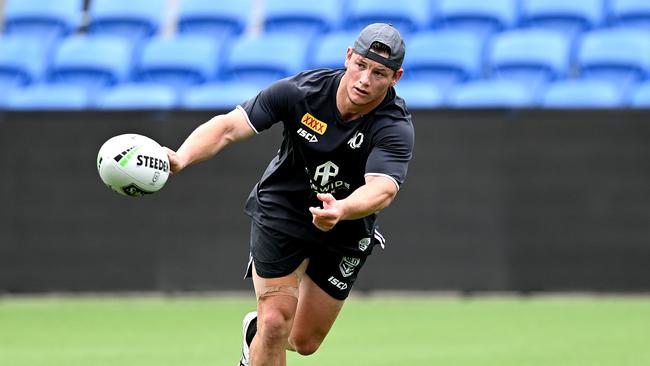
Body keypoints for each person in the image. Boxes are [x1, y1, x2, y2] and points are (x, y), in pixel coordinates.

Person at [166, 23, 414, 366]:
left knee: (304, 340)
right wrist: (181, 156)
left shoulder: (394, 126)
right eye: (360, 65)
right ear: (348, 57)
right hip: (282, 211)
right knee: (275, 322)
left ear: (395, 77)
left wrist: (342, 209)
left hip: (345, 223)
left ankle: (254, 336)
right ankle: (263, 333)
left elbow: (383, 189)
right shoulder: (302, 91)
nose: (364, 80)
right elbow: (227, 128)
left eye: (379, 73)